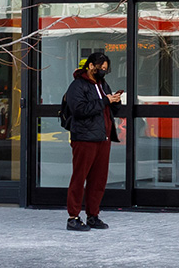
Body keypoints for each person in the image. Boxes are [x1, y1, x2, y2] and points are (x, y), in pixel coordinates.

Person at [61, 52, 123, 232]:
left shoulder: (103, 84)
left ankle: (93, 215)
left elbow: (109, 108)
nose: (103, 71)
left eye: (105, 69)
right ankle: (73, 217)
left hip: (103, 137)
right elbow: (79, 110)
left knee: (98, 180)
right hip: (84, 138)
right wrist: (104, 100)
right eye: (100, 68)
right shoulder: (77, 86)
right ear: (90, 66)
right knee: (79, 177)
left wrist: (114, 101)